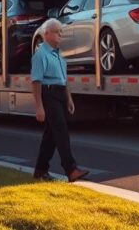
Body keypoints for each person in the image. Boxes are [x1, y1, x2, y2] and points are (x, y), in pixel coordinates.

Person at [31, 18, 89, 182]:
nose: (60, 35)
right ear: (47, 34)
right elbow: (36, 81)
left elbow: (64, 80)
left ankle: (40, 170)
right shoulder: (40, 55)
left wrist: (69, 99)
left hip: (60, 94)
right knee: (61, 129)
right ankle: (71, 169)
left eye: (61, 32)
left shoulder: (59, 56)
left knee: (51, 135)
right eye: (57, 32)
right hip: (48, 94)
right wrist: (39, 107)